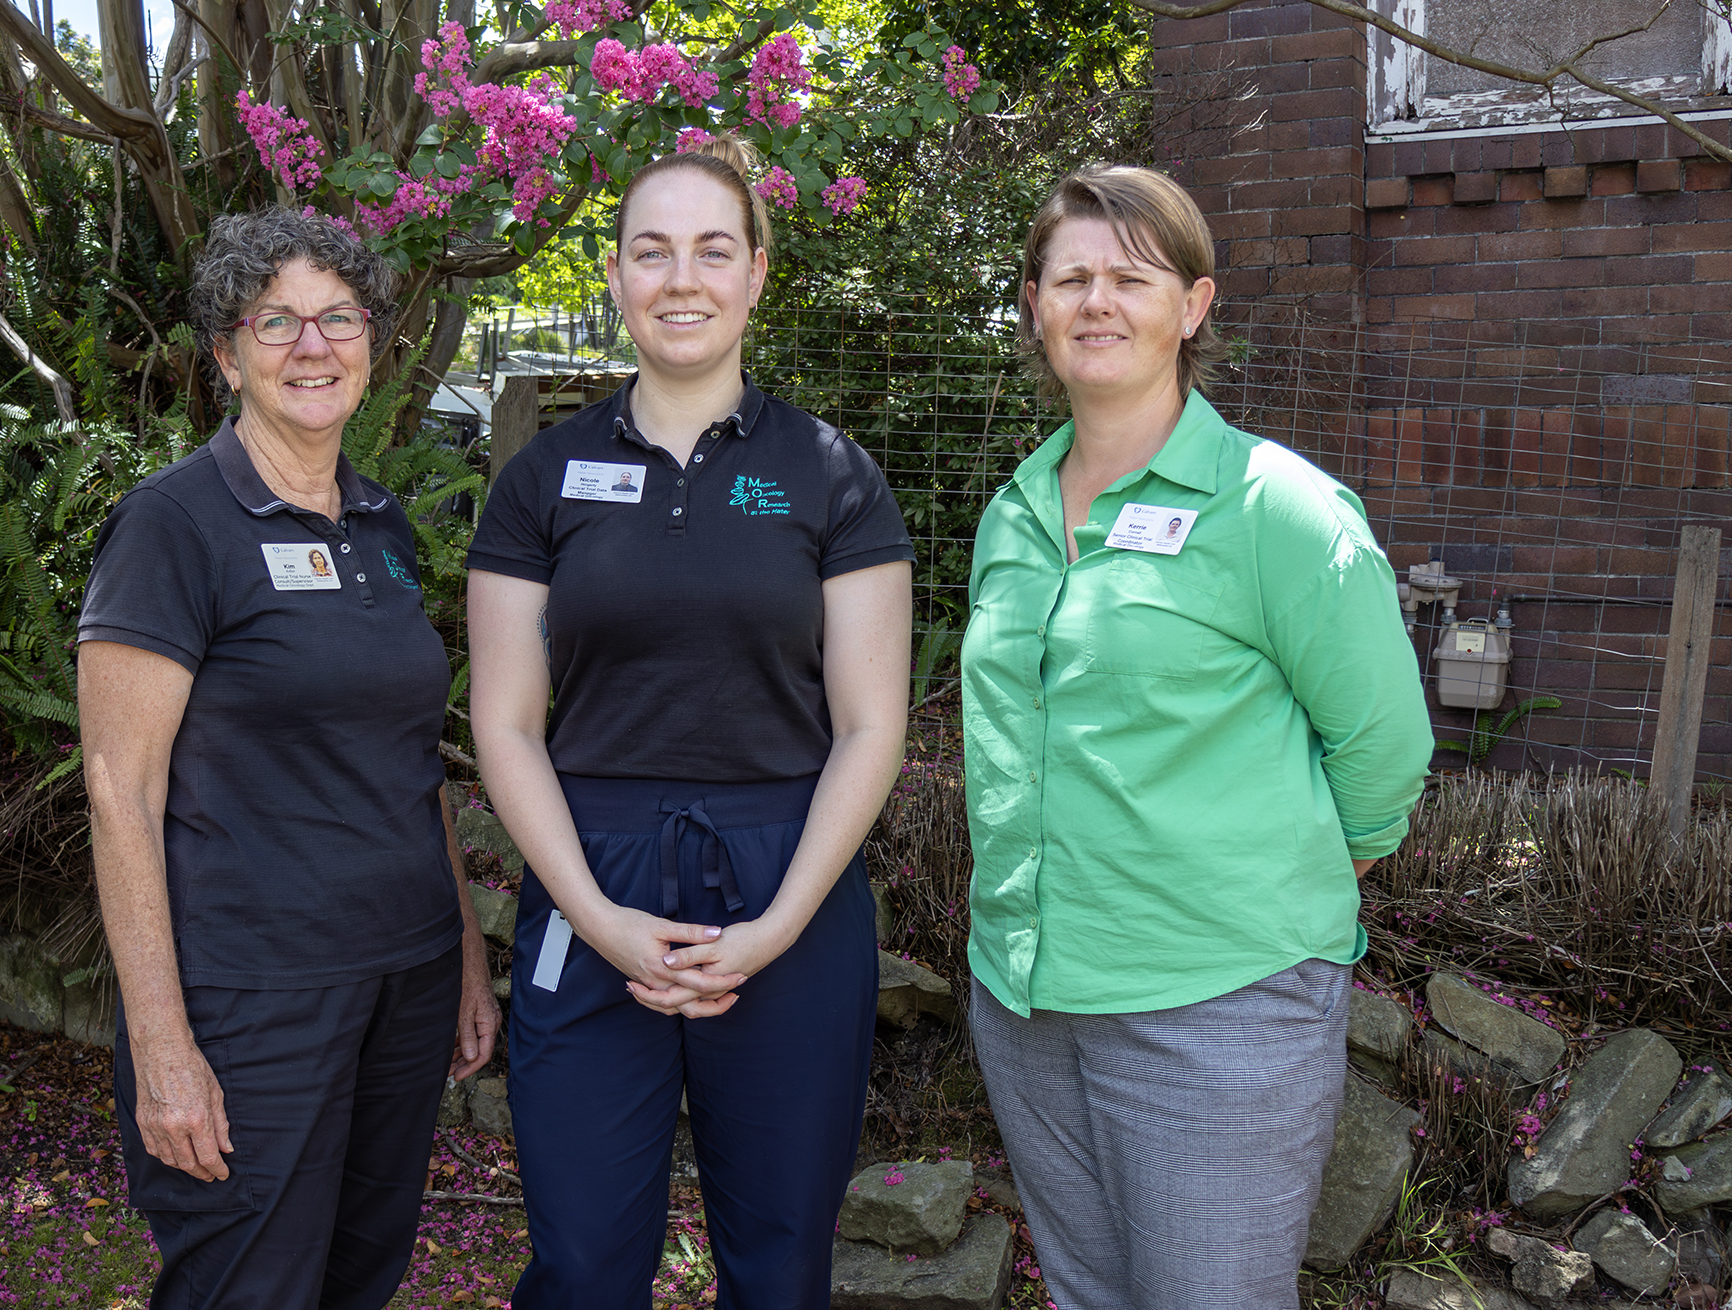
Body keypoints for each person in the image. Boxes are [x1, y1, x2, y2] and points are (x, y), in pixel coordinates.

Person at [960, 165, 1432, 1310]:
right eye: (1070, 278)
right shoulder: (1013, 514)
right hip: (1025, 1001)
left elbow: (1383, 745)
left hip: (1217, 1004)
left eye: (1131, 277)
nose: (1097, 300)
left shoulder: (1274, 509)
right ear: (1032, 304)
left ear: (1193, 304)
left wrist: (1284, 876)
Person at [466, 135, 914, 1310]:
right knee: (579, 1264)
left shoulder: (831, 473)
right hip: (588, 871)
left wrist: (774, 927)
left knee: (778, 1265)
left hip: (789, 876)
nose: (681, 278)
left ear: (755, 273)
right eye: (651, 250)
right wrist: (596, 915)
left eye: (713, 250)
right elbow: (505, 725)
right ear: (615, 274)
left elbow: (870, 727)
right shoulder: (541, 477)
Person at [78, 206, 501, 1310]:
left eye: (338, 318)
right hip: (253, 1000)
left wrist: (462, 954)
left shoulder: (382, 525)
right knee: (248, 1285)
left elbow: (411, 760)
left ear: (371, 344)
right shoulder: (172, 527)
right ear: (227, 355)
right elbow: (121, 792)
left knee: (361, 1275)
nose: (313, 346)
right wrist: (162, 1044)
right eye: (276, 321)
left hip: (404, 980)